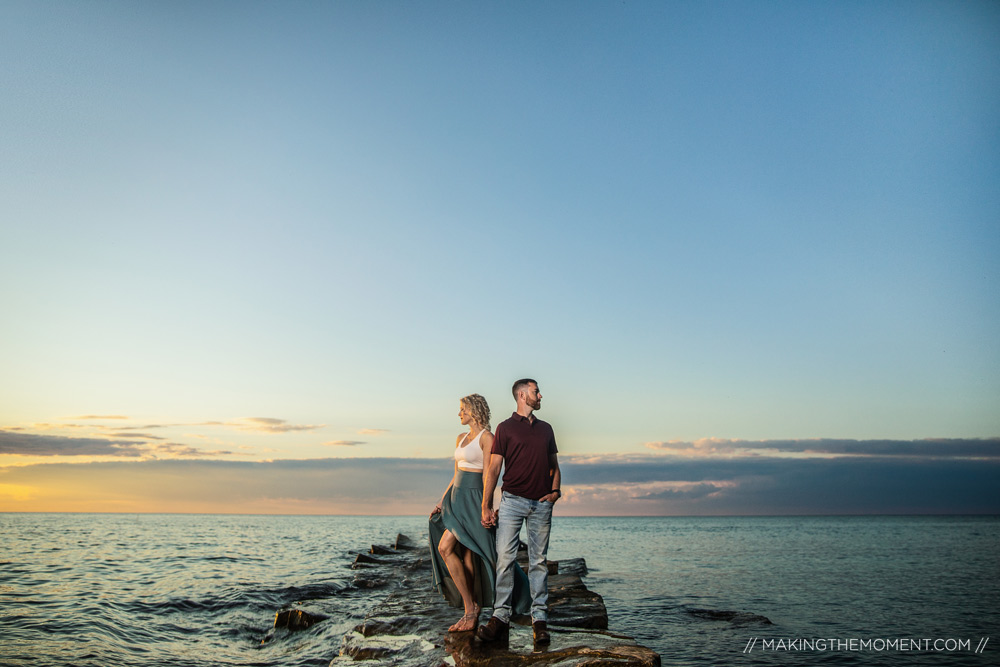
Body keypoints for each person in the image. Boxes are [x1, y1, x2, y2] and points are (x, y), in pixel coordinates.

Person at [428, 393, 529, 632]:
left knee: (458, 549)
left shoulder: (488, 438)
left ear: (474, 411)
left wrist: (488, 506)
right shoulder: (460, 438)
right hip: (456, 498)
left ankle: (473, 610)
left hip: (474, 500)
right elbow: (455, 473)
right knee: (462, 553)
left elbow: (489, 474)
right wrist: (442, 502)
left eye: (462, 409)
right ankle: (470, 611)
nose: (459, 413)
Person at [477, 378, 561, 647]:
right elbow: (493, 469)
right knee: (504, 558)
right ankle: (500, 618)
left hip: (540, 505)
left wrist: (555, 492)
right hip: (512, 502)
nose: (540, 395)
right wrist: (486, 505)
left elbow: (554, 466)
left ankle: (540, 621)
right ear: (523, 395)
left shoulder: (546, 429)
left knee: (538, 562)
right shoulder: (504, 428)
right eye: (536, 392)